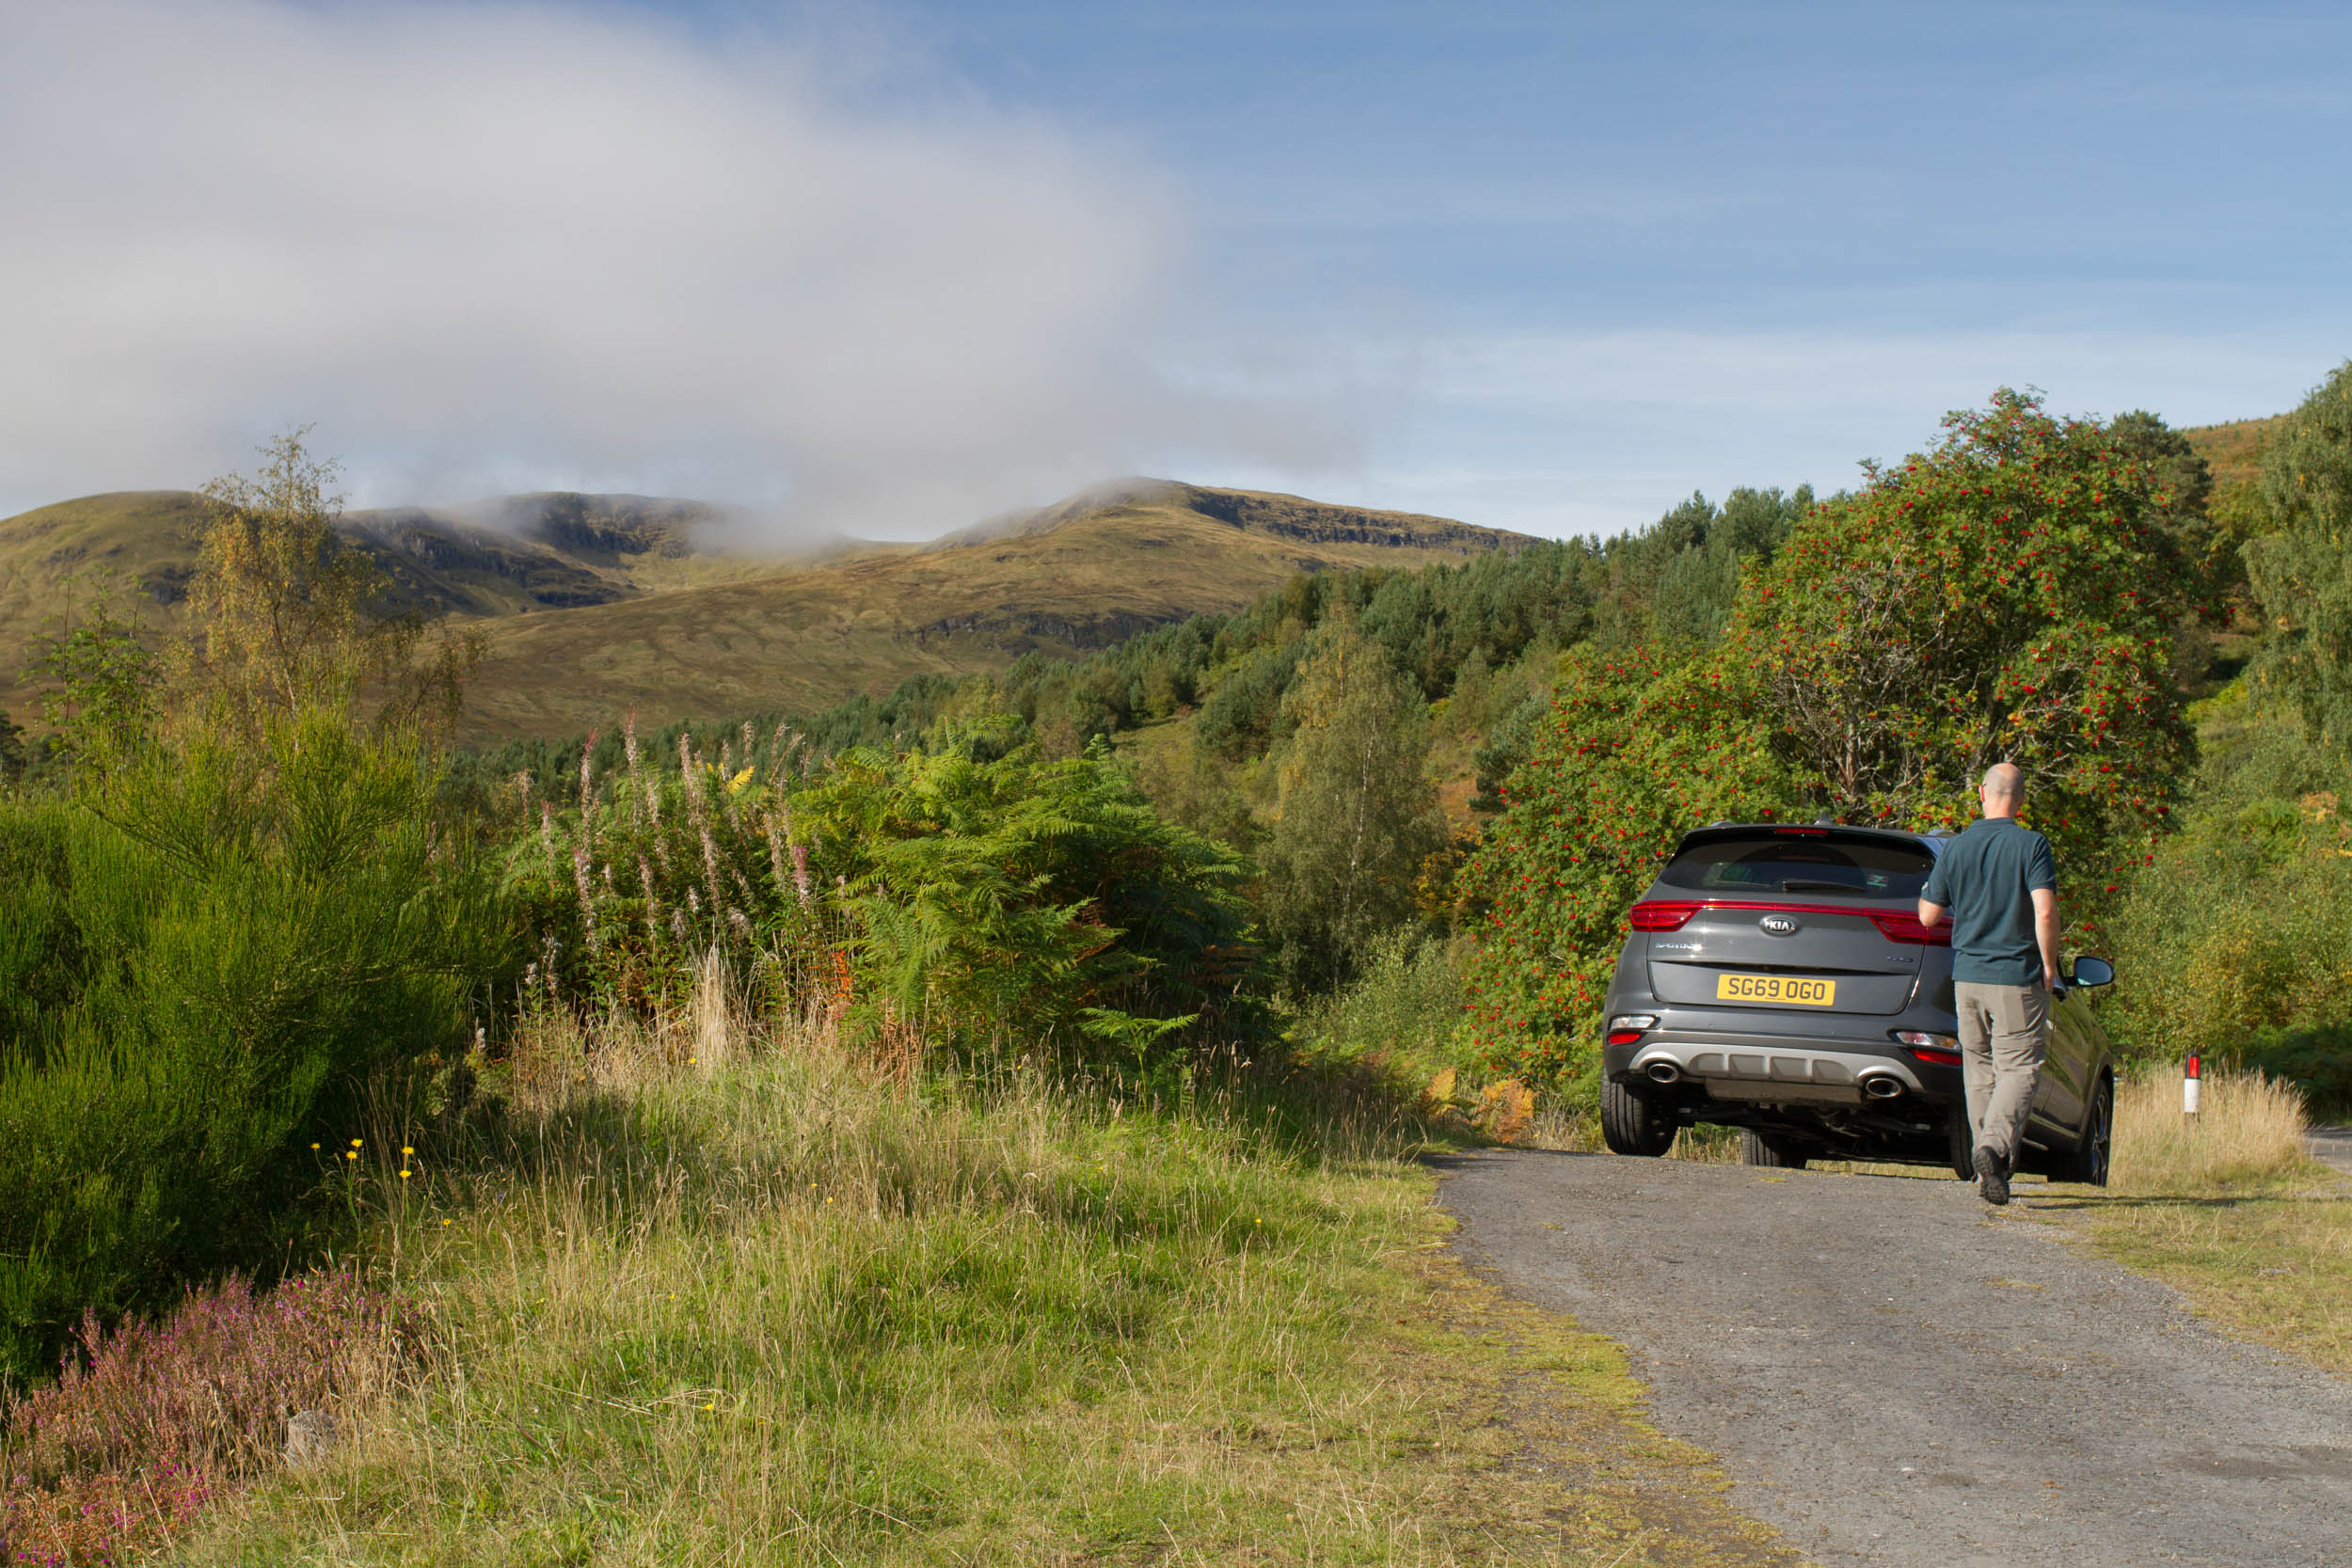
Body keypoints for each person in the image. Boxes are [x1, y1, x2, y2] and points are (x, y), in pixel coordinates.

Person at [1916, 763, 2059, 1207]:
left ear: (1982, 792)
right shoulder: (2031, 845)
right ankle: (1993, 1149)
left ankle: (1988, 1175)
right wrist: (2050, 968)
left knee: (1978, 1070)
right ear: (2021, 798)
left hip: (1967, 978)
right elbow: (2046, 913)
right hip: (2015, 976)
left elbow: (1928, 915)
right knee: (2019, 1068)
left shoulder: (1956, 848)